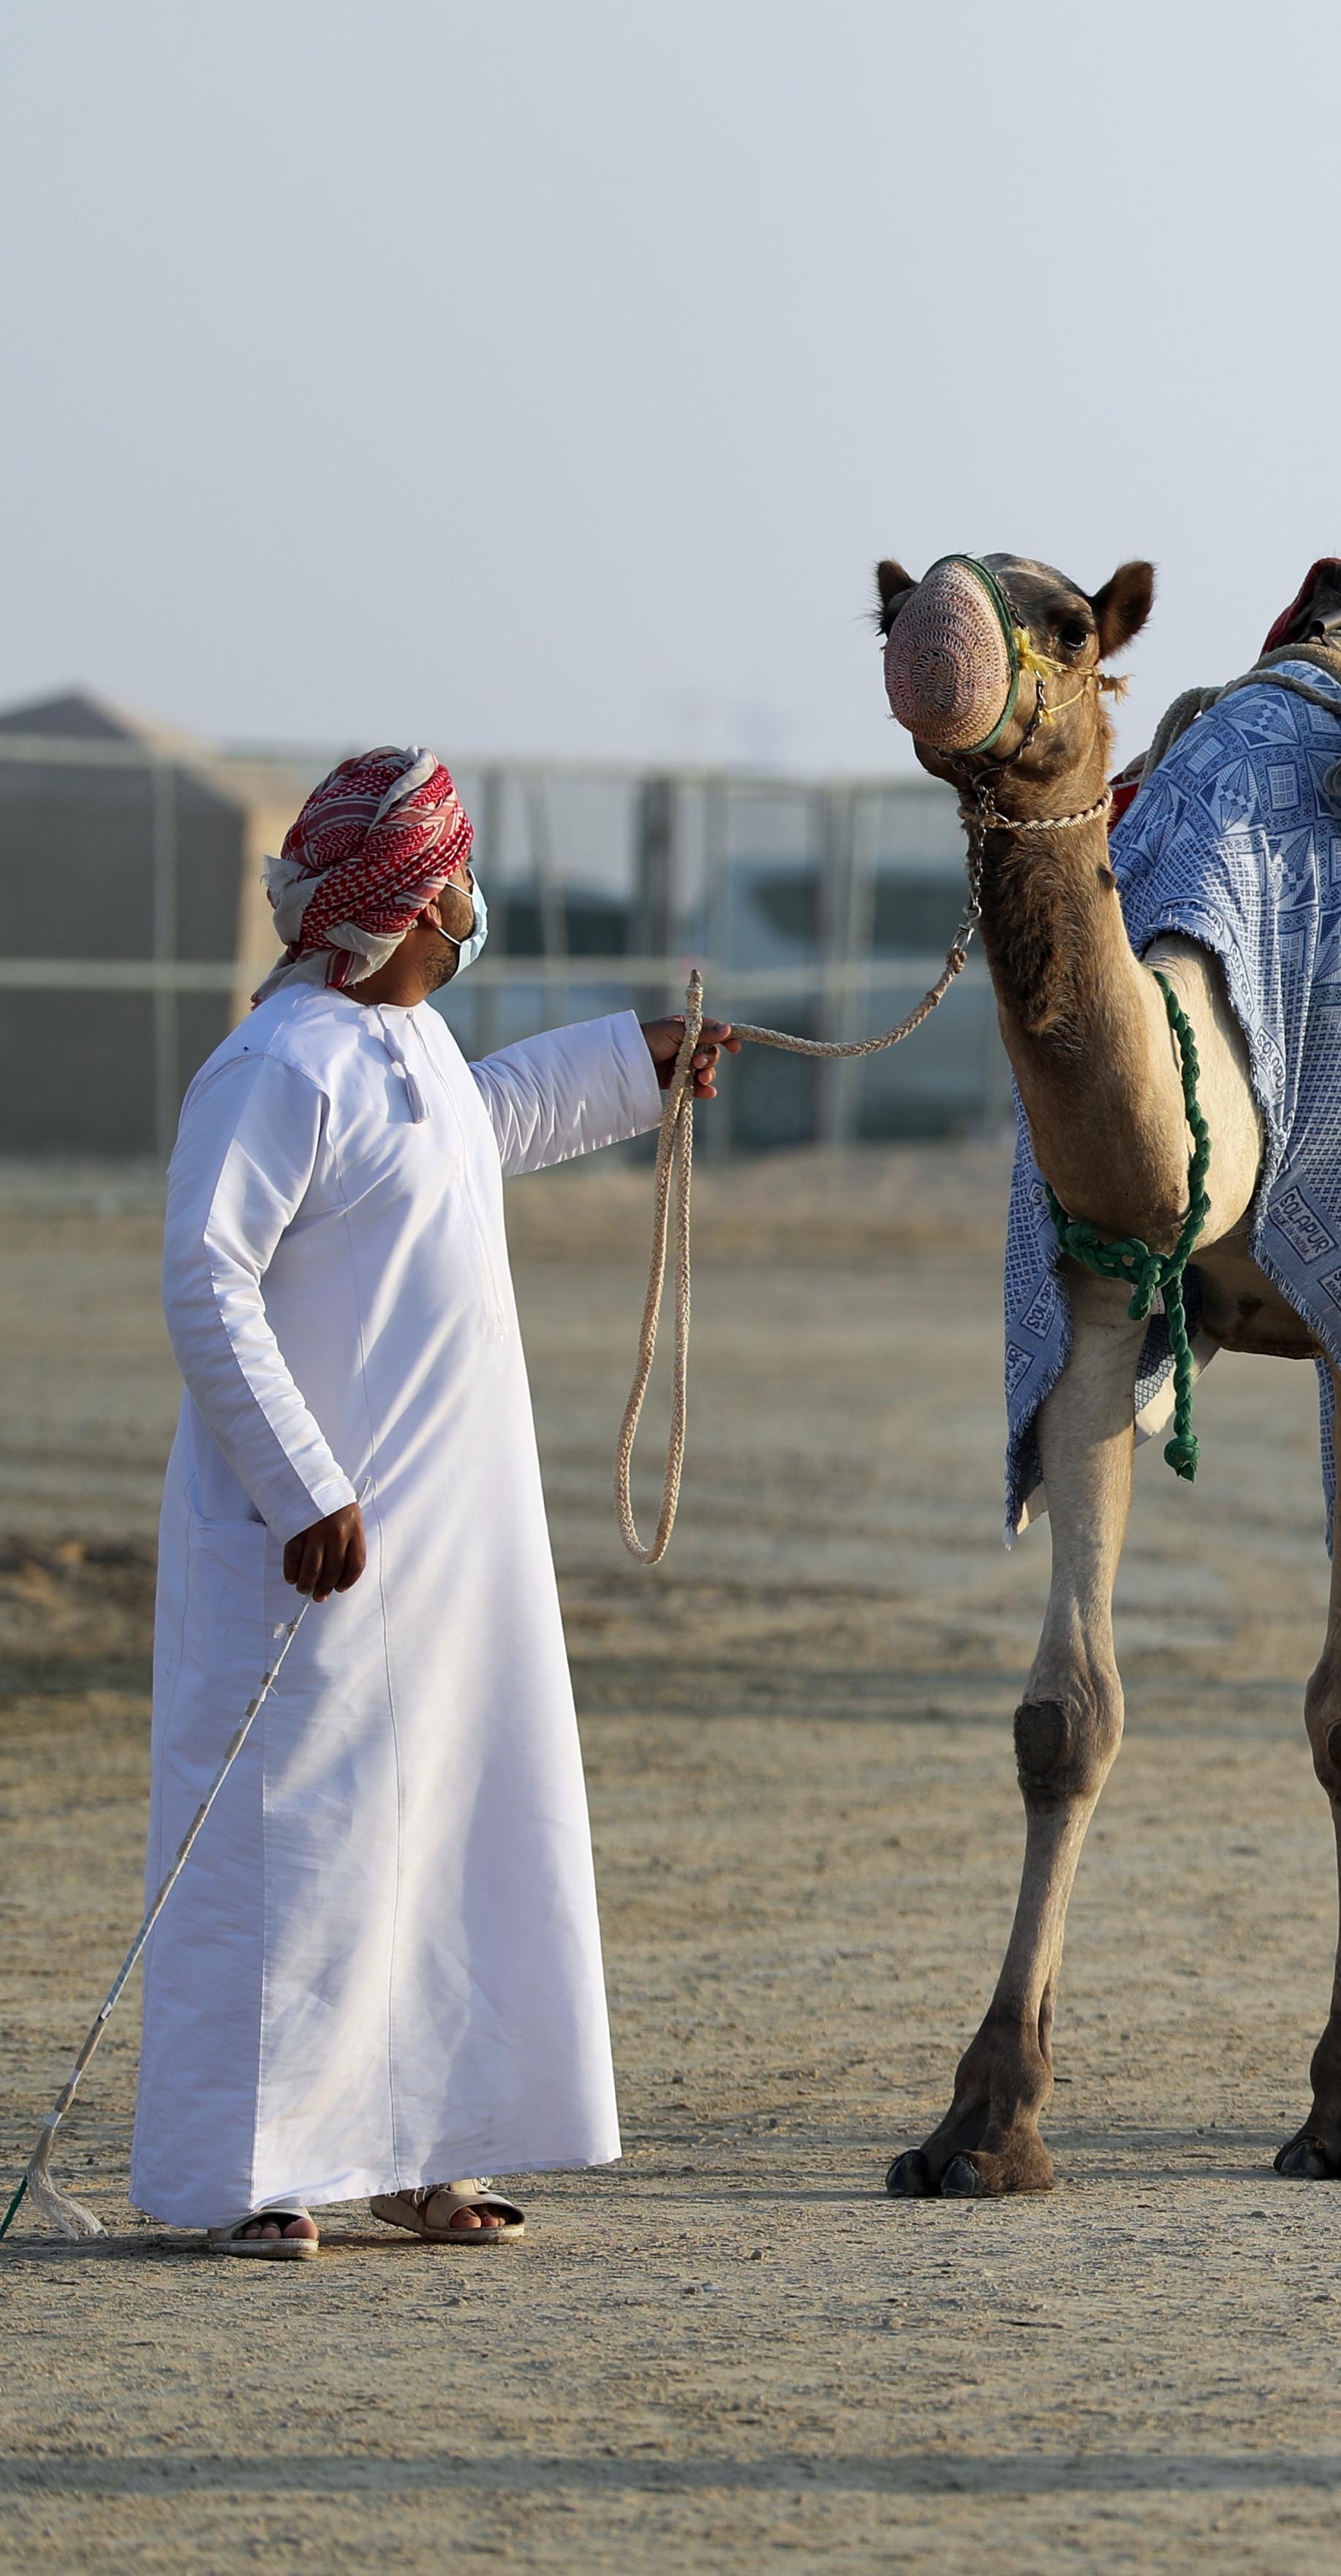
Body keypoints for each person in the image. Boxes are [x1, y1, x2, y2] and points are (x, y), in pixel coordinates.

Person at [139, 747, 732, 2259]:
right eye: (454, 878)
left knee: (445, 1836)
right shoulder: (277, 1067)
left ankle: (426, 2153)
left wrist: (635, 1062)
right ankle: (242, 2176)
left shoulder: (404, 1049)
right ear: (408, 901)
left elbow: (481, 1118)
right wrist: (300, 1483)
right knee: (296, 1854)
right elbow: (204, 1279)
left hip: (450, 1548)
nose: (473, 904)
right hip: (312, 1550)